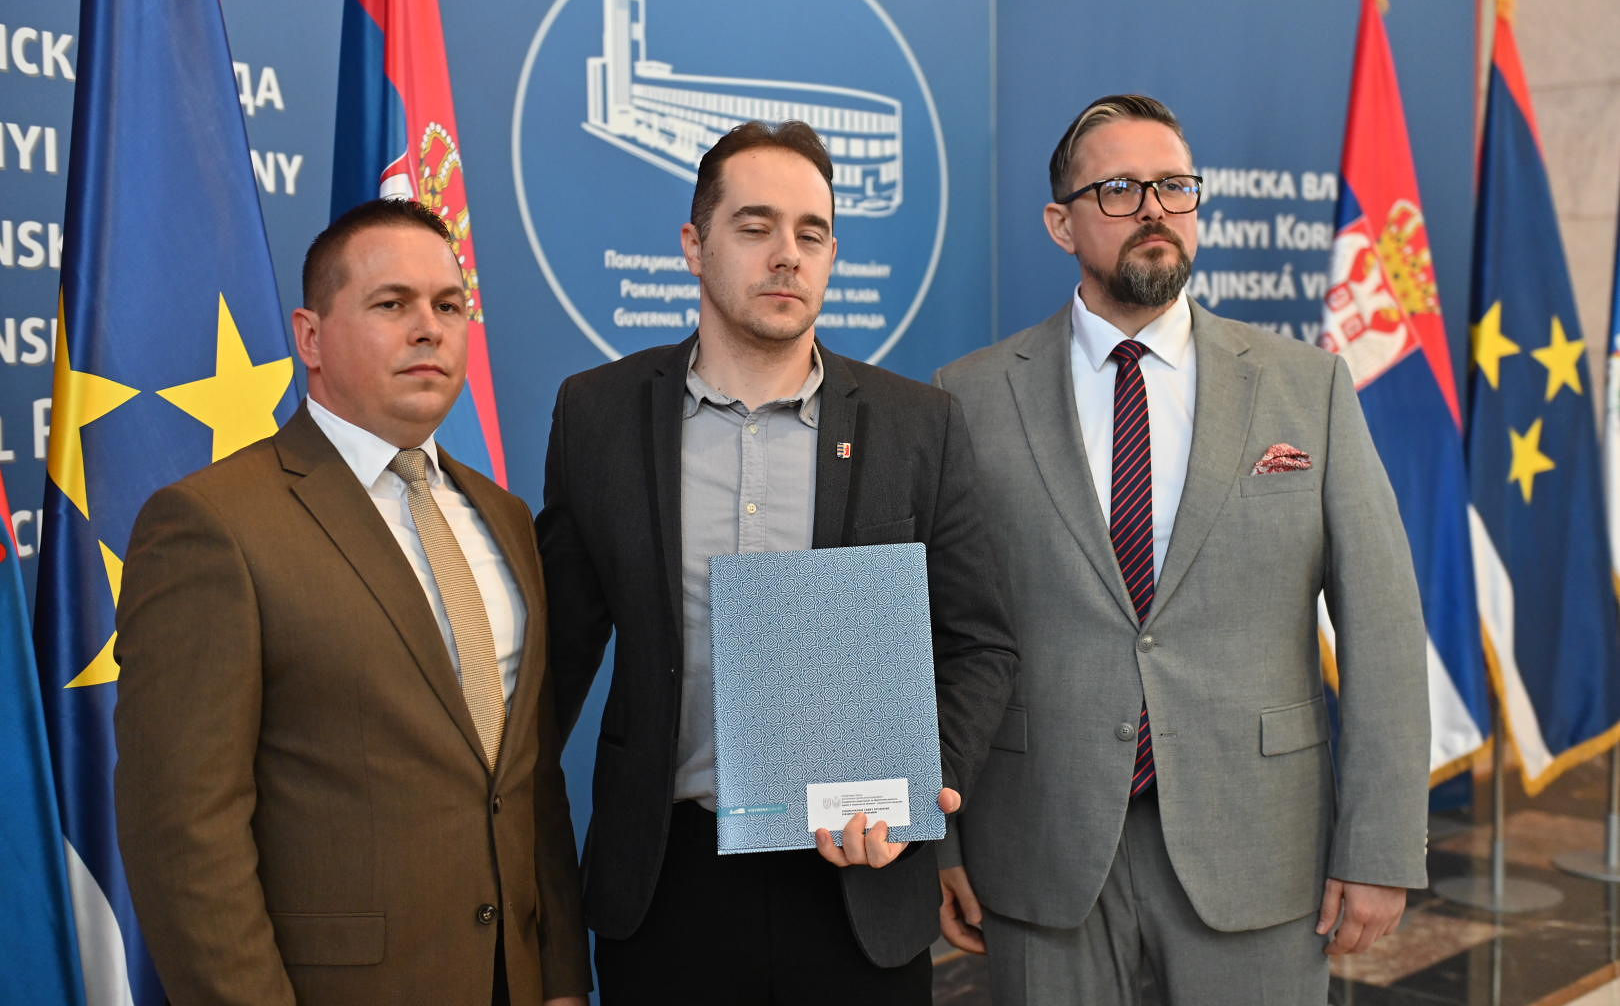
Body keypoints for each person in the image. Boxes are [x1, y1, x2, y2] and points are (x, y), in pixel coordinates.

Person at [933, 94, 1429, 1004]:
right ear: (1061, 223)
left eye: (1174, 187)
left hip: (1261, 844)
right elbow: (941, 634)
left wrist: (1381, 844)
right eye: (1119, 190)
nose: (1154, 209)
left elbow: (1383, 626)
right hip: (1039, 845)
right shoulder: (968, 397)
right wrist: (943, 839)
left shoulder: (1307, 386)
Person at [538, 119, 1018, 1003]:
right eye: (755, 227)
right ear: (694, 245)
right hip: (665, 886)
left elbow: (980, 643)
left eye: (812, 233)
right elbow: (553, 666)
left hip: (862, 887)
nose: (787, 255)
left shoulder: (918, 425)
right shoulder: (597, 416)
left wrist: (924, 788)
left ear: (832, 255)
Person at [114, 198, 589, 1006]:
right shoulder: (213, 525)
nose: (429, 329)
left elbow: (528, 781)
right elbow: (183, 831)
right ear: (310, 337)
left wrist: (561, 980)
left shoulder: (506, 518)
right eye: (392, 304)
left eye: (449, 306)